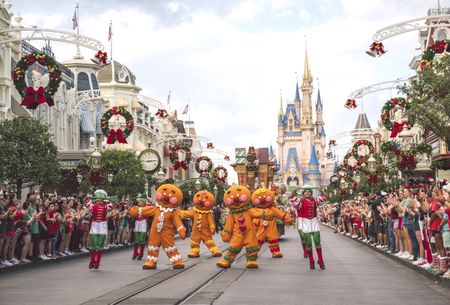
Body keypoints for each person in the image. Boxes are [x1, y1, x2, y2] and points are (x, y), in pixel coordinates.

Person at [294, 185, 325, 270]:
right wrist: (295, 190)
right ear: (303, 193)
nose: (307, 193)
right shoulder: (300, 201)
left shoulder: (315, 200)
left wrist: (321, 190)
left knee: (317, 242)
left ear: (311, 193)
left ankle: (321, 260)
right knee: (308, 243)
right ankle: (311, 261)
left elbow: (325, 197)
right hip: (305, 223)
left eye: (309, 192)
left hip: (314, 222)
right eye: (305, 192)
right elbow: (291, 198)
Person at [87, 190, 113, 269]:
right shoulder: (92, 206)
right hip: (94, 226)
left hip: (102, 226)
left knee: (100, 246)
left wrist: (107, 199)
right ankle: (92, 261)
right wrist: (91, 199)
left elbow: (112, 205)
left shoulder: (106, 206)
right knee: (93, 245)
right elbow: (87, 204)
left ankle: (97, 262)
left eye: (100, 200)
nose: (98, 202)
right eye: (97, 200)